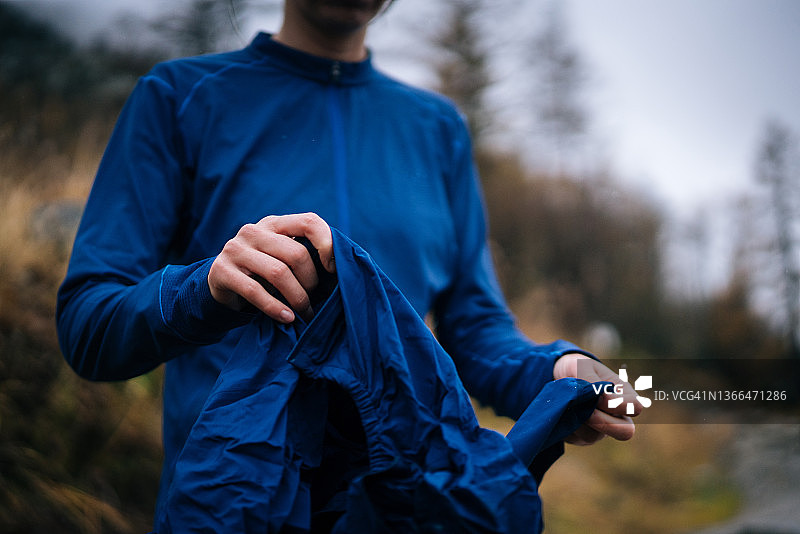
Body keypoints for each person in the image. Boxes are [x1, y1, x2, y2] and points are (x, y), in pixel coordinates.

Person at [57, 0, 640, 525]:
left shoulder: (437, 132)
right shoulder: (179, 97)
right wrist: (203, 288)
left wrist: (553, 369)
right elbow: (89, 324)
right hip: (232, 508)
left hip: (402, 511)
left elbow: (474, 330)